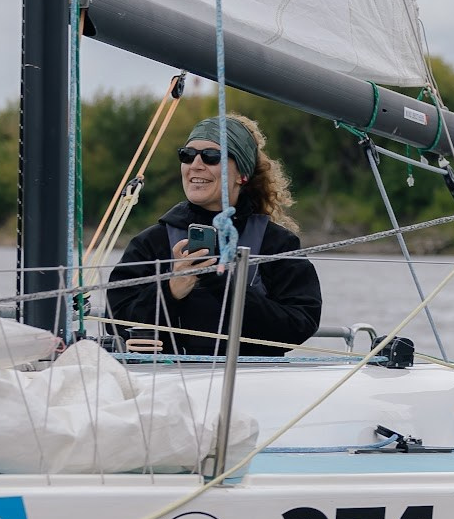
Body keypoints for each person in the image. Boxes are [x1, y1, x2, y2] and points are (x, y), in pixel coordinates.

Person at [105, 113, 321, 358]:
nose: (195, 164)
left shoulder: (276, 244)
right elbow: (115, 321)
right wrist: (171, 289)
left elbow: (300, 324)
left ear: (242, 175)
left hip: (251, 381)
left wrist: (224, 284)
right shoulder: (151, 243)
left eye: (211, 156)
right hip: (169, 383)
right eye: (187, 155)